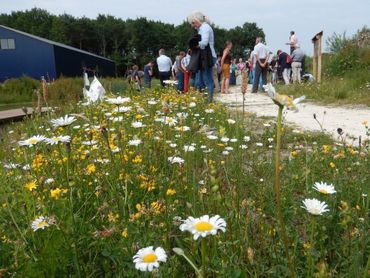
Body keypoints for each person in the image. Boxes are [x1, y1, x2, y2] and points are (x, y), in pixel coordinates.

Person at [187, 11, 217, 102]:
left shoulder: (205, 28)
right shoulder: (201, 29)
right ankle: (203, 99)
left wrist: (194, 46)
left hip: (208, 57)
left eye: (193, 23)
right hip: (203, 56)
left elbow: (204, 43)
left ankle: (209, 101)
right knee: (199, 80)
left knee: (207, 79)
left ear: (197, 20)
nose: (192, 25)